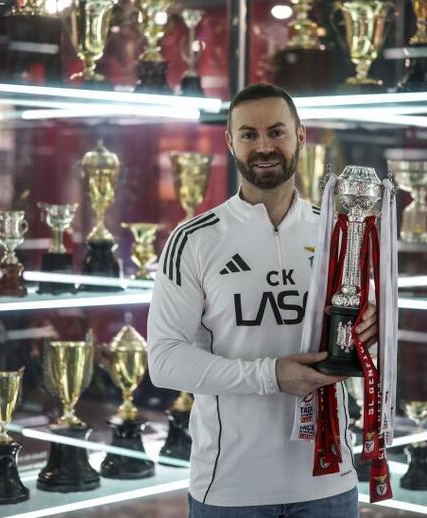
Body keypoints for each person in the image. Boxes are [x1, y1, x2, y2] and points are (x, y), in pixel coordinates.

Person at [147, 83, 380, 517]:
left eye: (277, 131)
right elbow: (164, 361)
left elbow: (362, 348)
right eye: (249, 134)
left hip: (329, 486)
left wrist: (373, 335)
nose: (264, 146)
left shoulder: (341, 234)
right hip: (230, 491)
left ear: (300, 136)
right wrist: (271, 375)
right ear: (230, 141)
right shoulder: (193, 240)